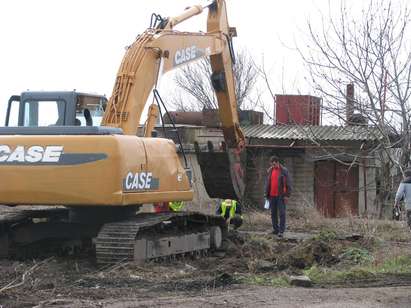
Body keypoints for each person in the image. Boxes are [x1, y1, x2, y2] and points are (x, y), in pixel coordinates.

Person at [265, 155, 292, 238]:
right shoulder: (270, 170)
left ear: (277, 162)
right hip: (272, 196)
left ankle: (281, 231)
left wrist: (287, 195)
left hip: (281, 195)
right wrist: (266, 194)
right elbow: (267, 183)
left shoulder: (284, 171)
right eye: (272, 164)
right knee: (273, 213)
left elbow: (288, 183)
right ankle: (275, 229)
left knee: (282, 213)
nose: (273, 166)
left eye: (274, 164)